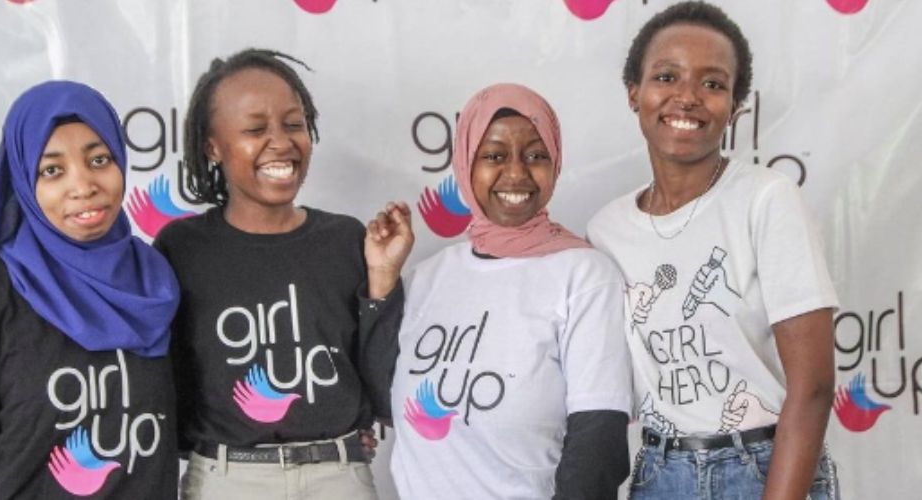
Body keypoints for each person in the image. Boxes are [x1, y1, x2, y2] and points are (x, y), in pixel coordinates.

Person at [586, 2, 840, 499]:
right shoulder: (606, 231)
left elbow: (812, 389)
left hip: (763, 469)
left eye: (713, 83)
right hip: (659, 472)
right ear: (634, 93)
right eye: (666, 77)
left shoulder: (767, 199)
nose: (687, 97)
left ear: (736, 106)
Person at [153, 48, 412, 500]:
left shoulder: (345, 239)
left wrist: (383, 278)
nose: (280, 142)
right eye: (255, 129)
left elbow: (383, 391)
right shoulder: (182, 248)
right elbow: (170, 384)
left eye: (293, 124)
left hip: (339, 478)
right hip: (226, 481)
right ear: (212, 146)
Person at [0, 81, 182, 499]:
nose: (83, 186)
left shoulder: (156, 281)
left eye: (99, 160)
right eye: (52, 171)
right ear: (24, 182)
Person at [388, 83, 633, 500]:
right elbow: (378, 402)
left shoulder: (585, 275)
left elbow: (598, 439)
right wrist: (381, 282)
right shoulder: (424, 278)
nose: (517, 173)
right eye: (494, 156)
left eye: (536, 156)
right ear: (466, 163)